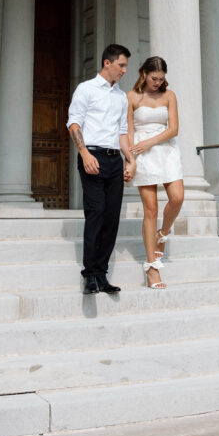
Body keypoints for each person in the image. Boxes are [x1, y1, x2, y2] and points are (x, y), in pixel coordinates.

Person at [67, 44, 136, 295]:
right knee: (96, 213)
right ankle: (89, 275)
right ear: (107, 63)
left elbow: (122, 132)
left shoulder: (121, 96)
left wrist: (130, 160)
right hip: (92, 155)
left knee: (111, 218)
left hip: (114, 160)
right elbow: (74, 123)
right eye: (121, 65)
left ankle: (101, 274)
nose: (124, 70)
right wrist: (84, 153)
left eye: (125, 66)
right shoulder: (85, 89)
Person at [127, 56, 184, 289]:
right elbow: (128, 132)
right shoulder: (131, 97)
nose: (157, 83)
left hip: (166, 151)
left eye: (161, 79)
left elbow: (173, 129)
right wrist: (130, 160)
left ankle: (163, 232)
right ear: (143, 73)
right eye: (154, 78)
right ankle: (152, 267)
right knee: (151, 209)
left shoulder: (169, 96)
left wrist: (150, 142)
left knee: (177, 197)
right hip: (142, 155)